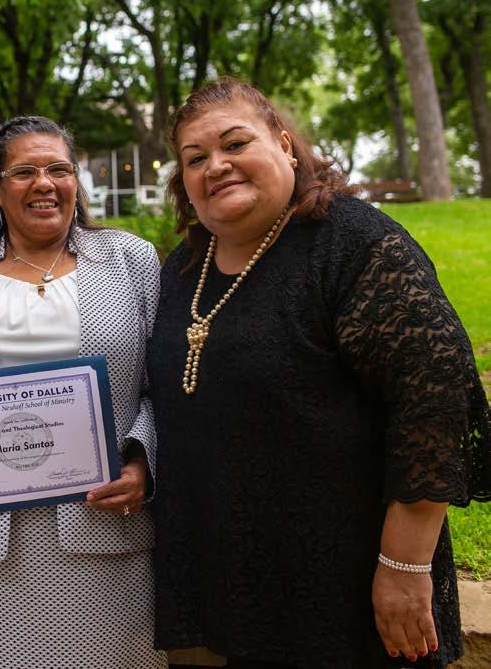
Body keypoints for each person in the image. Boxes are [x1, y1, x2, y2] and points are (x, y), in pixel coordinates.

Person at [147, 78, 491, 667]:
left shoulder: (353, 244)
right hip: (228, 583)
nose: (217, 166)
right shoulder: (186, 266)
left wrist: (405, 567)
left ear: (284, 145)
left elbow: (432, 403)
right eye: (195, 158)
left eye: (235, 144)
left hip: (345, 586)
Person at [0, 116, 167, 668]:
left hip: (105, 538)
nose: (44, 183)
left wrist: (141, 465)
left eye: (59, 169)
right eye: (24, 172)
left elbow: (162, 391)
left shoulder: (130, 261)